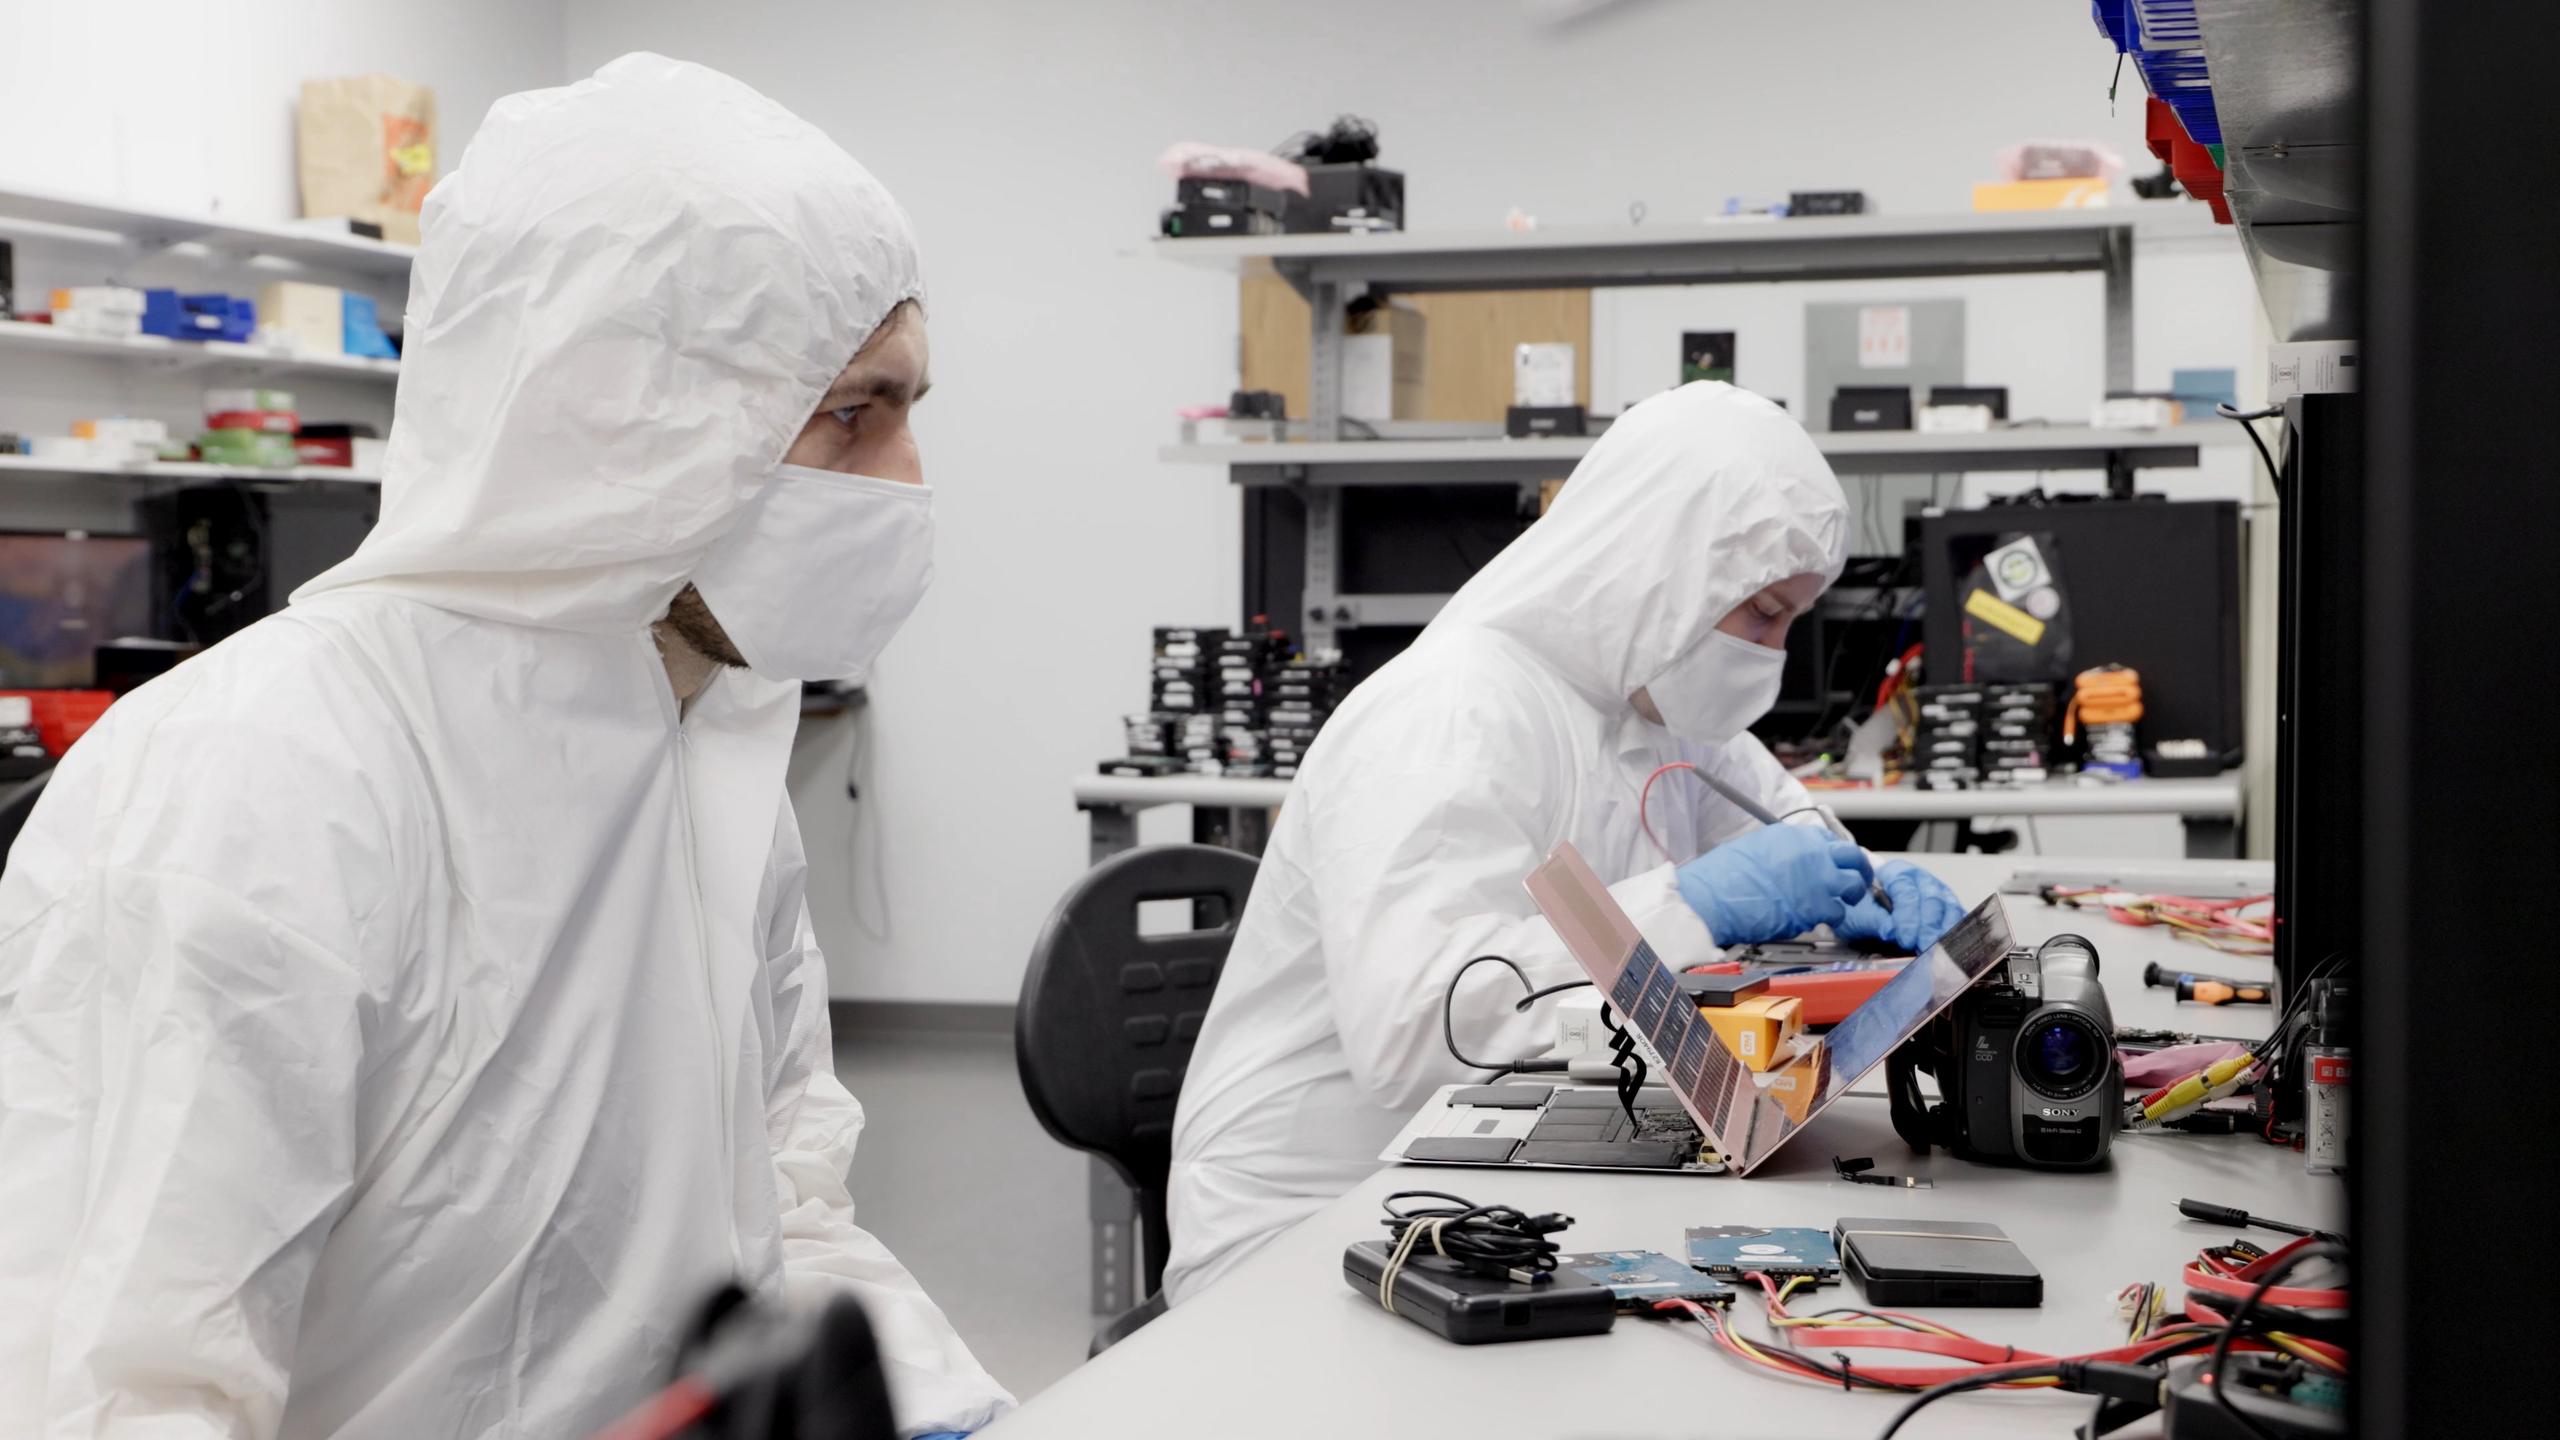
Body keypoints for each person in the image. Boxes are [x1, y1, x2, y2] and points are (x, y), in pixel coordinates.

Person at [0, 56, 1009, 1438]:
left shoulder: (707, 754)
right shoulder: (264, 778)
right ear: (630, 414)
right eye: (854, 412)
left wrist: (947, 1410)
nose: (907, 482)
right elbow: (119, 1387)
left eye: (911, 411)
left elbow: (784, 1212)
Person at [1163, 382, 1967, 1302]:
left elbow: (1791, 835)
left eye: (1791, 618)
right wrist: (1690, 905)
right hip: (1311, 1226)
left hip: (1495, 1178)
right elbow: (1423, 1031)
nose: (1772, 650)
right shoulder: (1451, 712)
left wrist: (1866, 885)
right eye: (1763, 611)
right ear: (1669, 570)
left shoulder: (1661, 700)